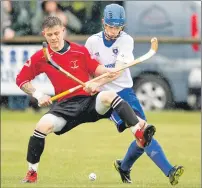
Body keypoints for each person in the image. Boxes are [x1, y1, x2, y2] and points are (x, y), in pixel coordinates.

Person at [16, 16, 156, 183]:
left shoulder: (79, 51)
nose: (53, 38)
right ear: (44, 34)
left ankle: (138, 131)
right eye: (49, 35)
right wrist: (39, 95)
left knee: (108, 95)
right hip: (65, 107)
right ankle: (32, 173)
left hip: (89, 101)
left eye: (56, 33)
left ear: (63, 31)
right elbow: (21, 80)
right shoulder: (42, 56)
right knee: (41, 126)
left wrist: (108, 71)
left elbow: (97, 69)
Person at [85, 3, 184, 186]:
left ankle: (124, 166)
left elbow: (116, 73)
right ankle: (168, 170)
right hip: (106, 97)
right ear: (103, 23)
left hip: (125, 92)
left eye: (118, 27)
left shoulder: (126, 40)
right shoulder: (92, 42)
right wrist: (89, 82)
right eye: (110, 26)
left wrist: (96, 81)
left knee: (144, 134)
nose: (114, 31)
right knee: (140, 130)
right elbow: (87, 68)